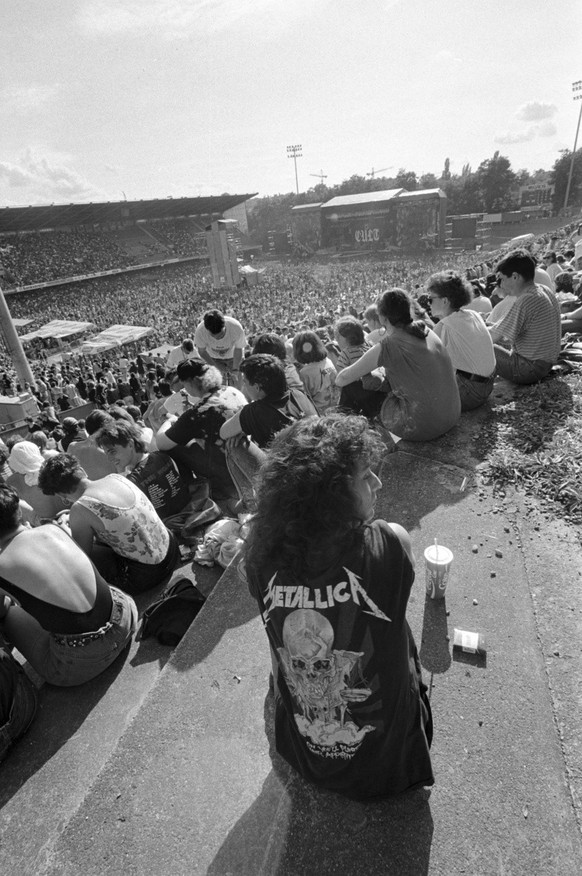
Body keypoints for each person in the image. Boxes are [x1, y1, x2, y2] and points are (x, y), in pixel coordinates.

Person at [241, 414, 433, 799]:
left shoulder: (258, 558)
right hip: (388, 764)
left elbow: (276, 644)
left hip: (305, 756)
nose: (378, 483)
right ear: (330, 493)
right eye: (365, 476)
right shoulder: (391, 541)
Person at [0, 484, 137, 686]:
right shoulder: (53, 528)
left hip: (81, 663)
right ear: (18, 510)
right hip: (124, 616)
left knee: (10, 613)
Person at [38, 455, 179, 593]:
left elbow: (82, 554)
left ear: (61, 496)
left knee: (77, 556)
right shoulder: (117, 478)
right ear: (82, 470)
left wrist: (63, 529)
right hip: (172, 549)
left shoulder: (80, 508)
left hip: (149, 575)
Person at [336, 289, 461, 442]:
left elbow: (341, 379)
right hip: (452, 414)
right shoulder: (426, 330)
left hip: (424, 427)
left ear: (382, 317)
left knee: (352, 387)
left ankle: (345, 441)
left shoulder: (390, 344)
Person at [94, 420, 219, 540]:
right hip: (192, 514)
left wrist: (120, 470)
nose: (110, 459)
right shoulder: (162, 456)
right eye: (107, 454)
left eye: (112, 452)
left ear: (130, 444)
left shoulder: (133, 481)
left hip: (173, 531)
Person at [219, 354, 318, 507]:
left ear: (257, 387)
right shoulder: (299, 394)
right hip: (317, 471)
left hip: (288, 485)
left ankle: (251, 504)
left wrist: (242, 430)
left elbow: (223, 432)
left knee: (234, 446)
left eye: (246, 383)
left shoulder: (255, 411)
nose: (244, 387)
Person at [156, 359, 246, 505]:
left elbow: (161, 443)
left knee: (175, 447)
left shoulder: (198, 412)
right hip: (244, 457)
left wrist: (169, 421)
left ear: (190, 383)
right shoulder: (232, 391)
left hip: (227, 473)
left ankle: (197, 494)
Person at [488, 249, 561, 385]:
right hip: (545, 363)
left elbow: (492, 337)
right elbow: (502, 330)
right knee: (486, 335)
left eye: (503, 279)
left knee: (481, 346)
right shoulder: (543, 290)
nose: (501, 285)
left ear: (515, 277)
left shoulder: (526, 300)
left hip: (530, 369)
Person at [427, 271, 496, 411]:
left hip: (470, 393)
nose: (429, 304)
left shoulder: (443, 326)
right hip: (488, 386)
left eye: (431, 299)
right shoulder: (473, 315)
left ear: (445, 300)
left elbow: (425, 363)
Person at [334, 316, 385, 418]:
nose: (337, 340)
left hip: (362, 394)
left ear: (344, 338)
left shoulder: (345, 354)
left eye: (337, 337)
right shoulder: (369, 346)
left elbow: (341, 378)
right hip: (379, 390)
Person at [292, 330, 338, 414]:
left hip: (320, 415)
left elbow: (305, 401)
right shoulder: (327, 361)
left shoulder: (305, 373)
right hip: (335, 409)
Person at [194, 310, 246, 381]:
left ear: (224, 325)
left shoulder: (236, 327)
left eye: (221, 335)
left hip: (234, 357)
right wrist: (215, 367)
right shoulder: (200, 331)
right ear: (207, 329)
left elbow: (238, 349)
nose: (217, 338)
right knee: (218, 387)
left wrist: (235, 369)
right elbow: (202, 352)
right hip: (213, 359)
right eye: (213, 335)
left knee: (238, 385)